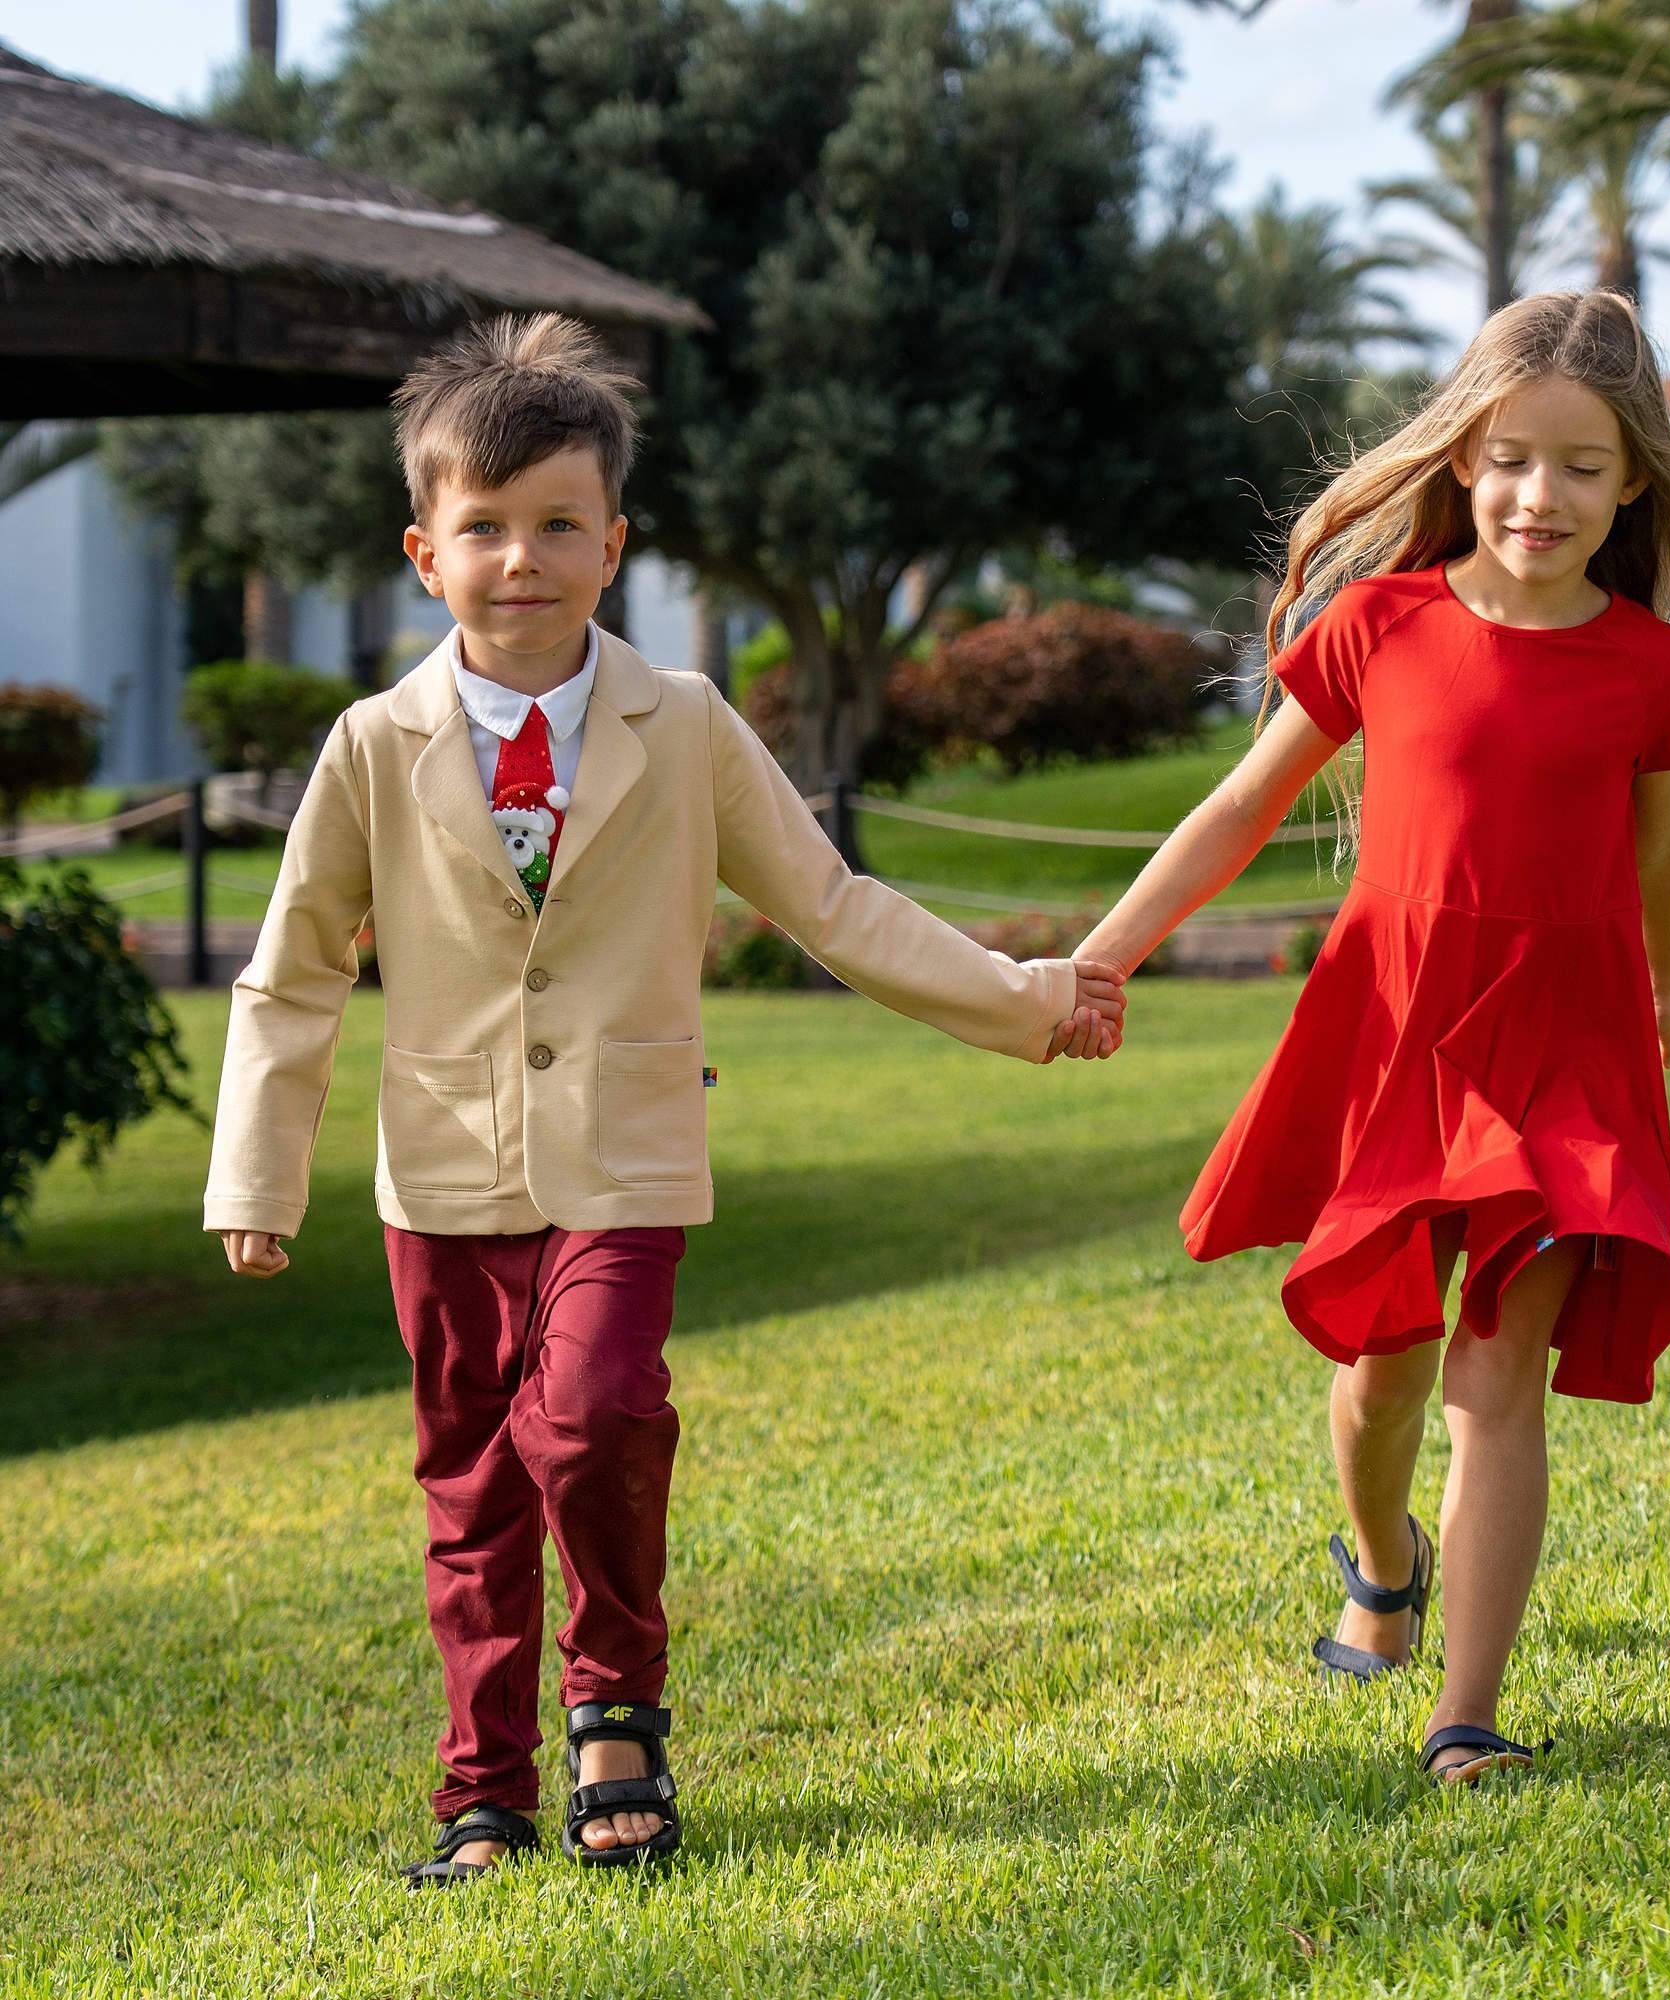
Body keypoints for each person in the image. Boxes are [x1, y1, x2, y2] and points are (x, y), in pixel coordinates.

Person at [202, 312, 1125, 1883]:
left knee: (598, 1413)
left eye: (559, 523)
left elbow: (835, 907)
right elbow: (291, 974)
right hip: (441, 1172)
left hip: (624, 1157)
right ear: (424, 552)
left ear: (613, 543)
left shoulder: (684, 724)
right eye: (483, 528)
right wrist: (255, 1182)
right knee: (473, 1483)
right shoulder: (369, 747)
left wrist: (1027, 1003)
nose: (522, 558)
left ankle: (617, 1709)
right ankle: (480, 1791)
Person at [1074, 289, 1670, 1783]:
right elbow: (1239, 806)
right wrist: (1106, 952)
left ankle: (1467, 1713)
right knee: (1383, 1370)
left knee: (1497, 1382)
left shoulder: (1651, 666)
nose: (1539, 494)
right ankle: (1381, 1559)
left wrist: (1667, 990)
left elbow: (1663, 851)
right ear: (1457, 463)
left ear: (1634, 481)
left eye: (1580, 464)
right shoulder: (1378, 625)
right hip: (1395, 1027)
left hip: (1565, 1043)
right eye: (1508, 458)